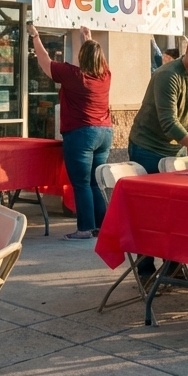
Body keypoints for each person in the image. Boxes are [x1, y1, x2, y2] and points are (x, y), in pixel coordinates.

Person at [128, 28, 188, 278]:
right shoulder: (167, 75)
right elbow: (169, 122)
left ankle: (173, 267)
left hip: (175, 151)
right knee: (150, 214)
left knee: (177, 212)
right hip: (148, 148)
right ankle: (146, 271)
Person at [29, 23, 111, 241]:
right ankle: (101, 226)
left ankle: (85, 229)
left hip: (81, 133)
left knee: (81, 183)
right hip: (104, 133)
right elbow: (95, 58)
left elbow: (45, 62)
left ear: (82, 57)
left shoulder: (73, 75)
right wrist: (87, 38)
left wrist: (35, 36)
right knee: (95, 182)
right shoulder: (105, 76)